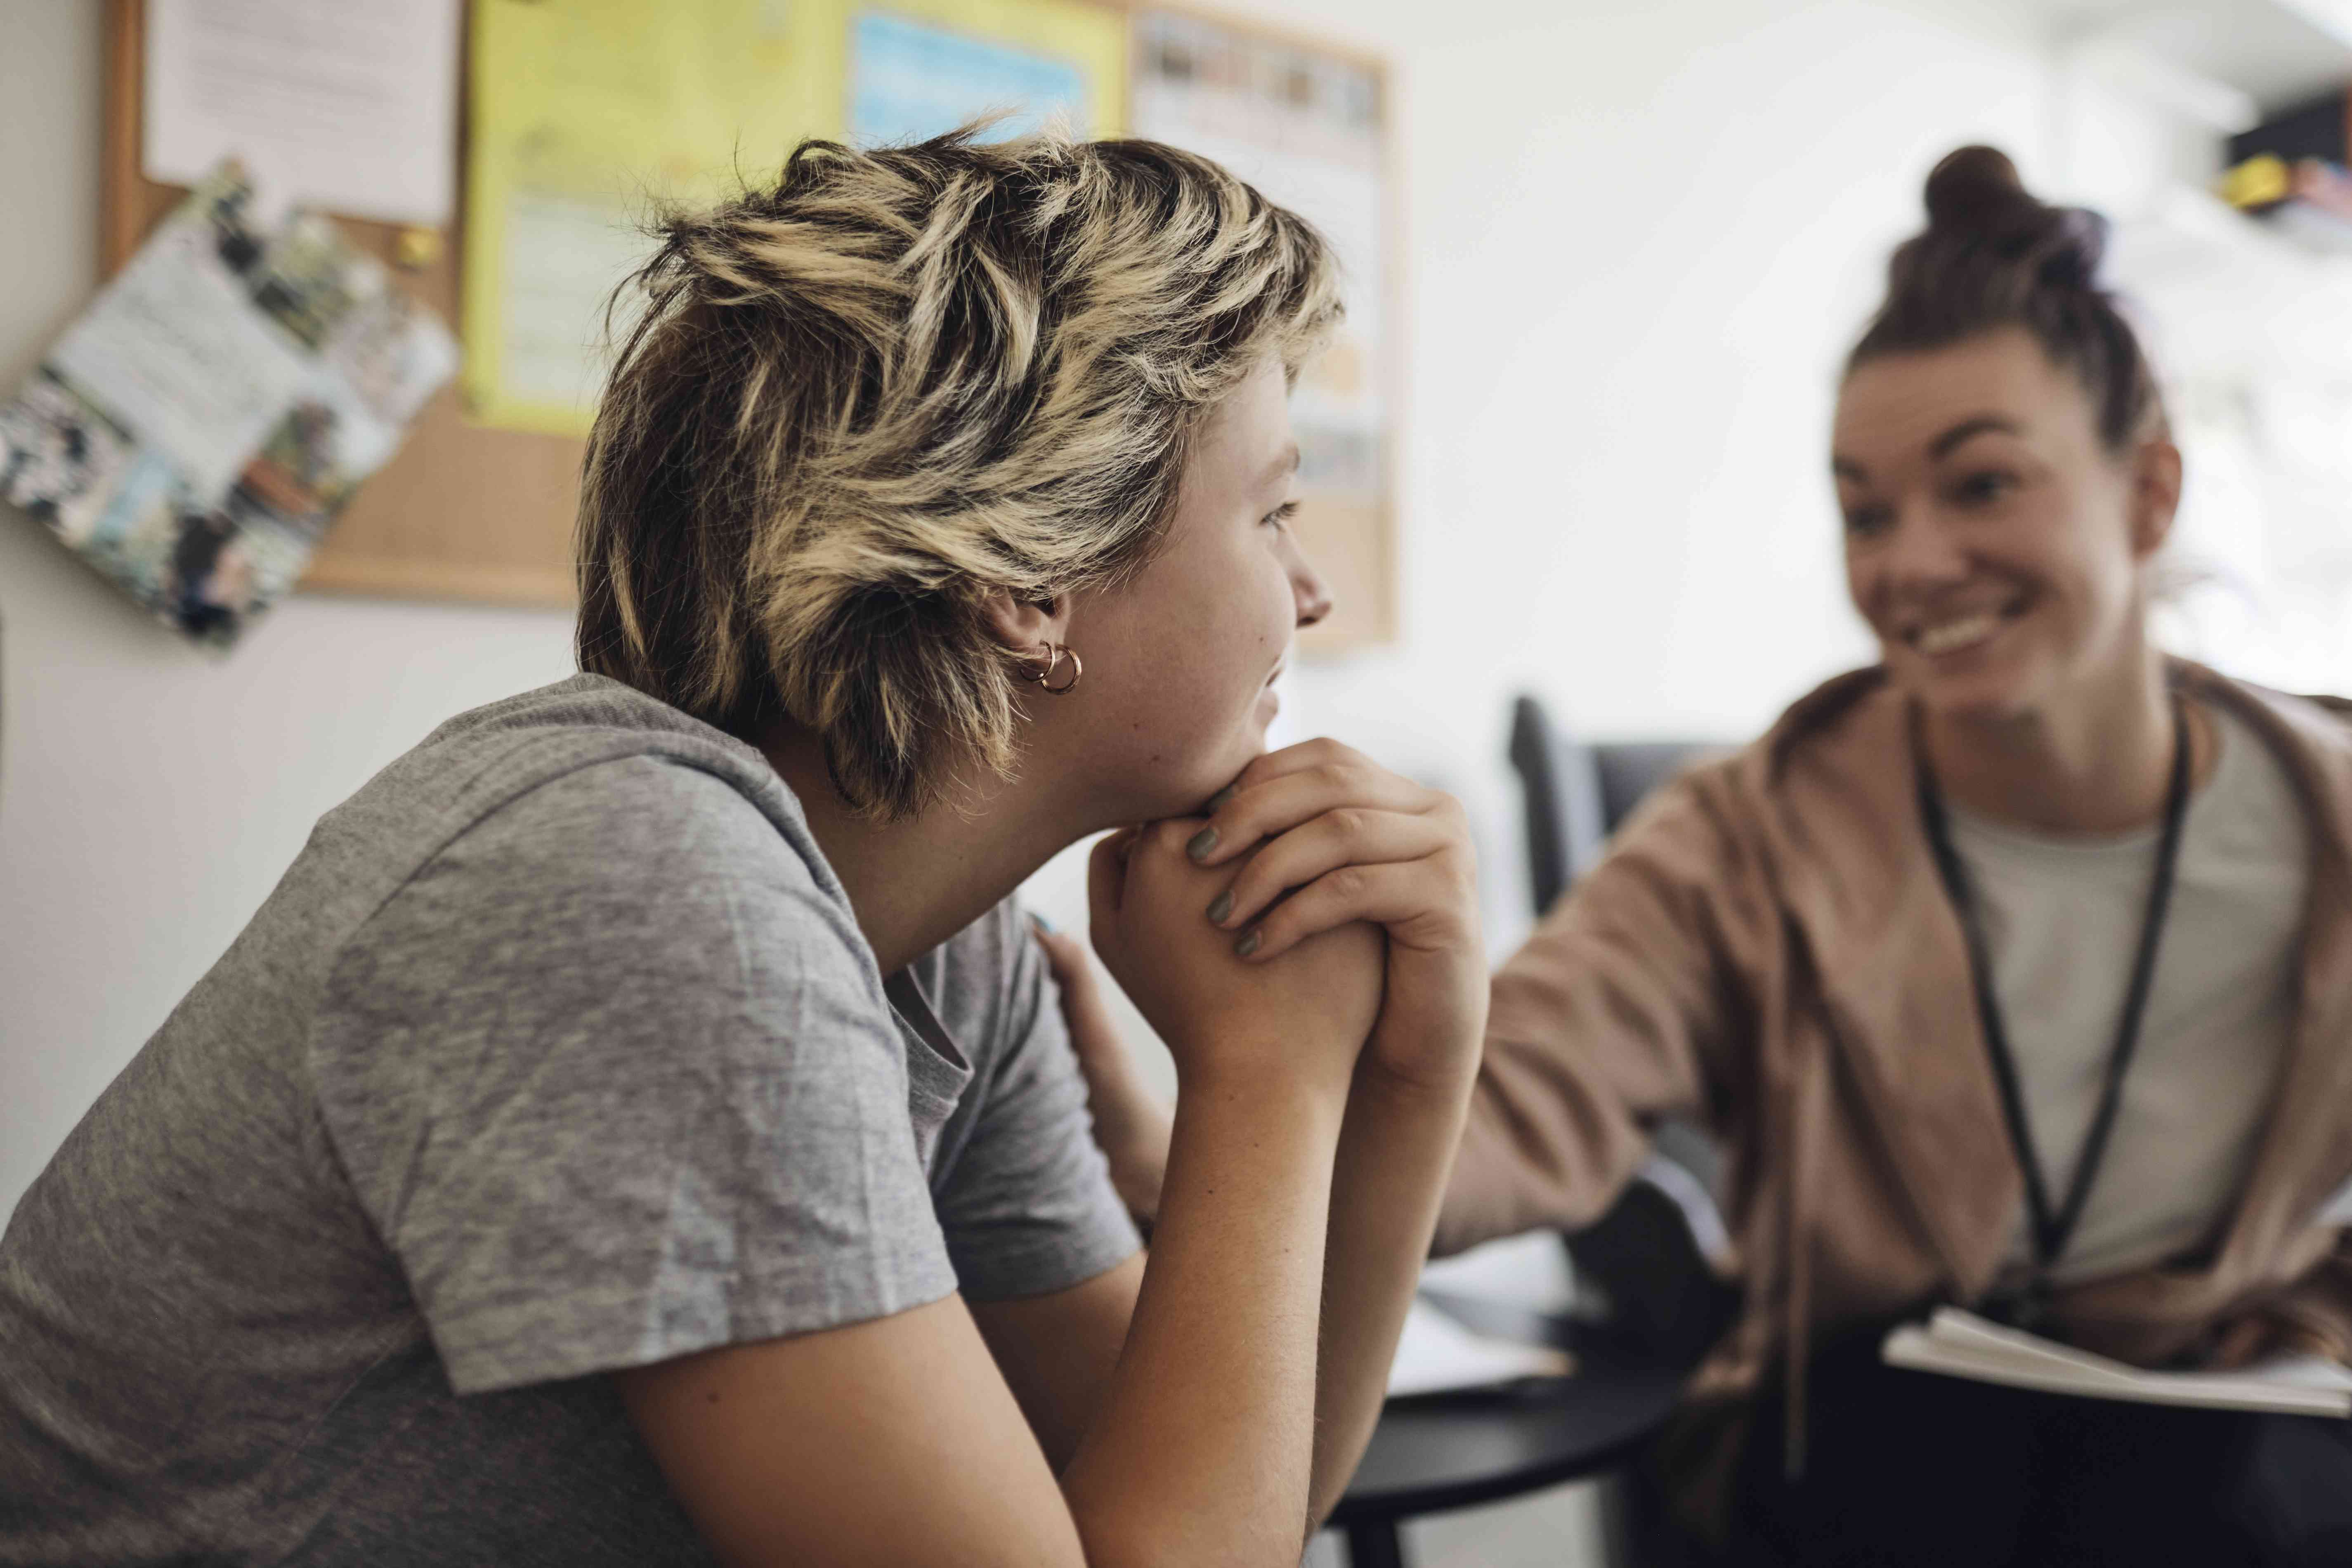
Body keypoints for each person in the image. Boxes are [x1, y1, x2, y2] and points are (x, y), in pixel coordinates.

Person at [0, 130, 1488, 1566]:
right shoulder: (639, 881)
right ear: (1031, 579)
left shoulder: (942, 945)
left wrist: (1411, 1073)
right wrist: (1269, 1074)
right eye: (1274, 510)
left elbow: (1214, 1509)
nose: (1309, 593)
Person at [1062, 147, 2352, 1566]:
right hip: (1890, 1438)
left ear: (2149, 495)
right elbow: (1518, 1099)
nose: (1911, 563)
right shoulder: (1753, 834)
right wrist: (1212, 1144)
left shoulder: (2326, 818)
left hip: (2254, 1436)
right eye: (1866, 511)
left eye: (1981, 486)